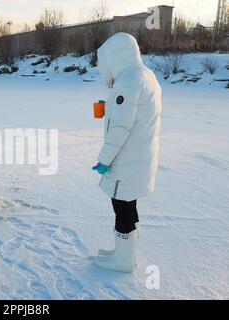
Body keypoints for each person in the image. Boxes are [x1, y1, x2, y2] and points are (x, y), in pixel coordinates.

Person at [92, 33, 162, 273]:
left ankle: (122, 261)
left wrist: (103, 160)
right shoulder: (146, 76)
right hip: (140, 157)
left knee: (121, 205)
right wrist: (110, 109)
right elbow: (131, 117)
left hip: (127, 160)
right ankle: (125, 254)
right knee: (128, 205)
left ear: (114, 58)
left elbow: (120, 128)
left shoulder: (128, 81)